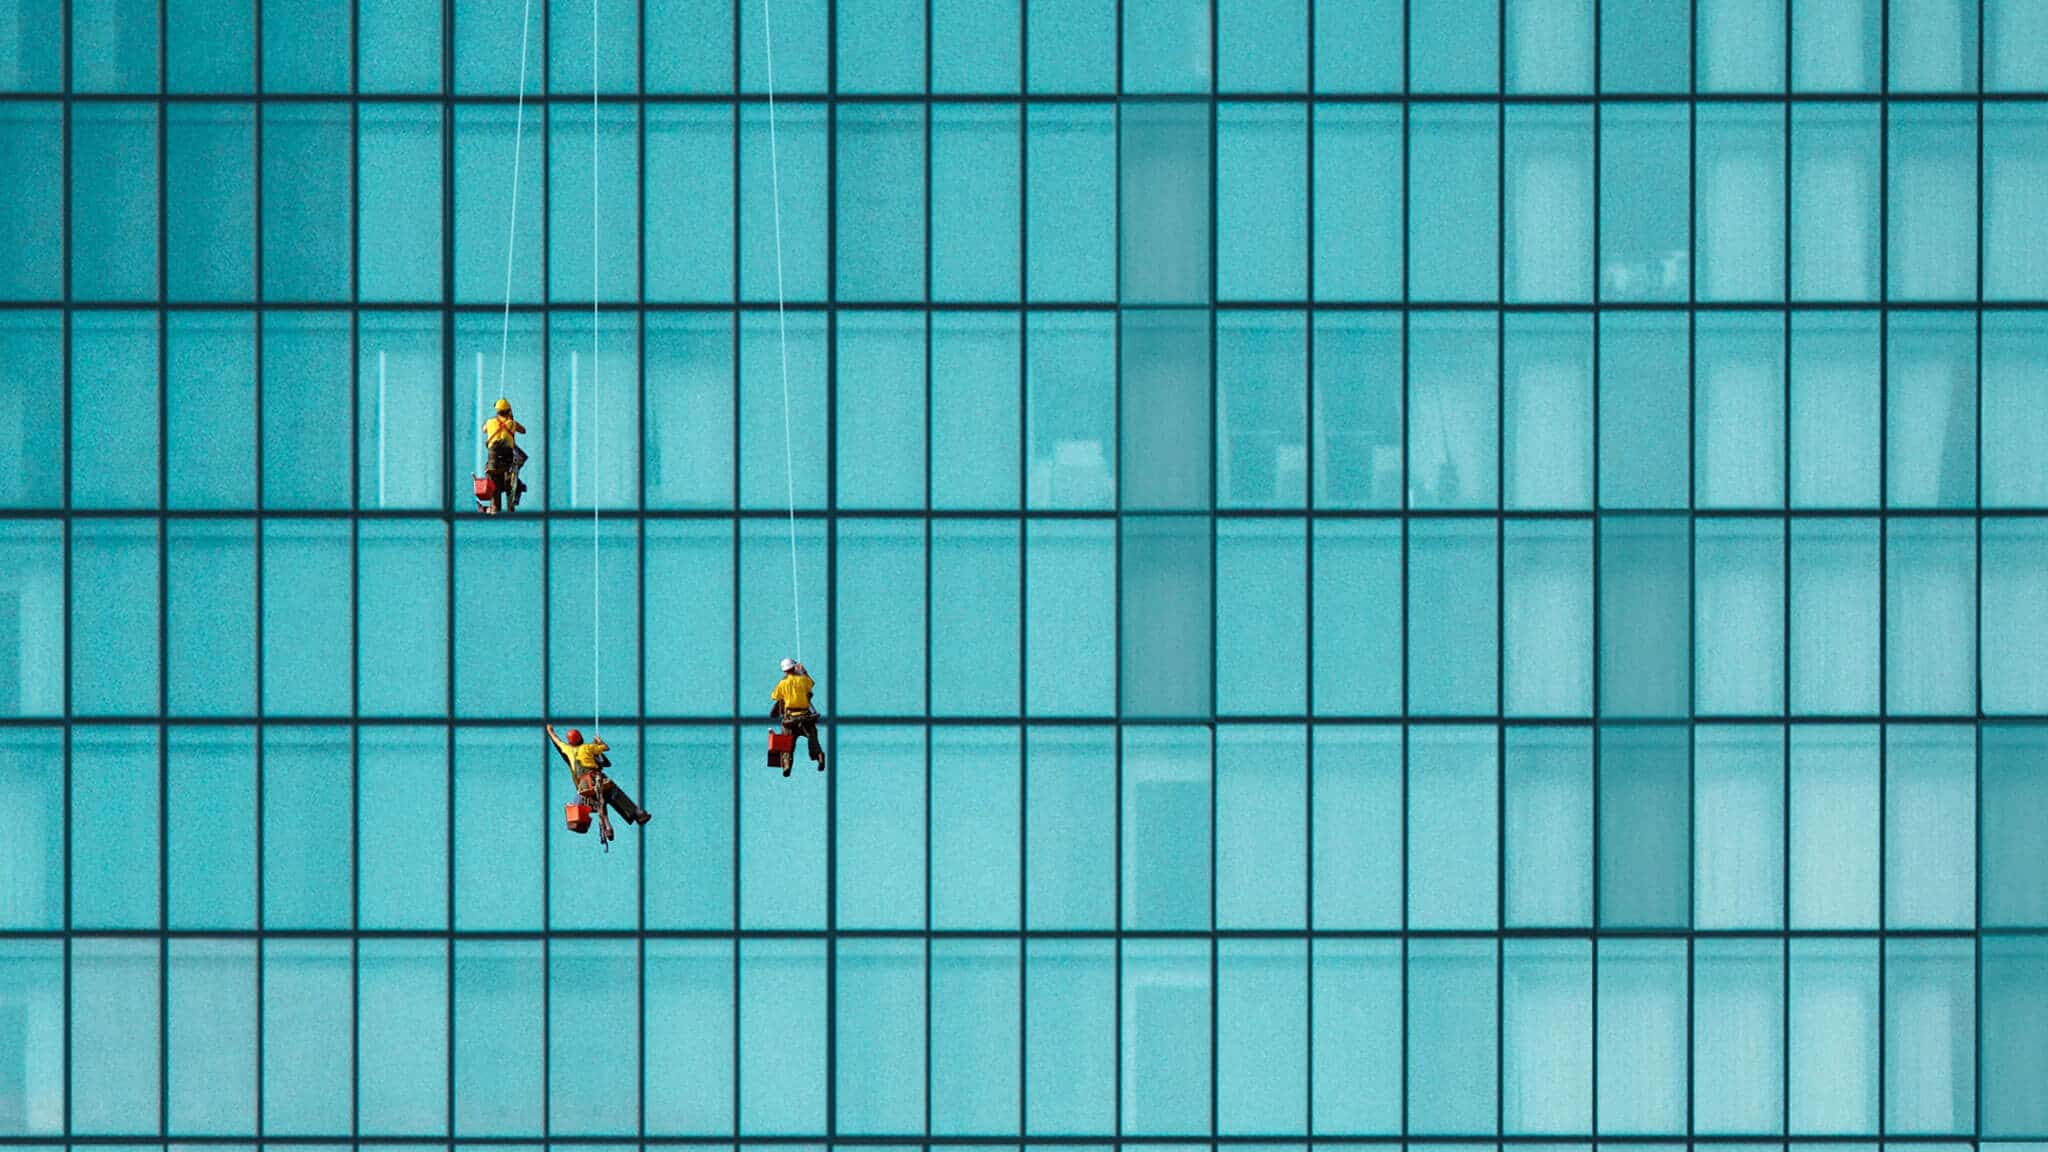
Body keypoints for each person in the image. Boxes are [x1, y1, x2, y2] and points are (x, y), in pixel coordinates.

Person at [545, 723, 651, 827]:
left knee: (578, 798)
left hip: (583, 786)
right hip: (596, 778)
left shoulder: (567, 749)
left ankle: (577, 820)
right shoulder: (588, 747)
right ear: (580, 738)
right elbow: (605, 747)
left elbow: (556, 740)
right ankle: (638, 813)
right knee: (615, 791)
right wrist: (599, 742)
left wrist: (550, 730)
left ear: (570, 742)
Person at [769, 657, 826, 775]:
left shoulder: (782, 684)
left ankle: (786, 765)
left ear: (784, 671)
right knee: (813, 738)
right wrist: (804, 672)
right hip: (805, 717)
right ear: (794, 667)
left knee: (786, 743)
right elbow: (811, 684)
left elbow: (774, 696)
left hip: (790, 719)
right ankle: (819, 756)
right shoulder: (803, 680)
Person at [481, 398, 529, 514]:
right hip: (507, 466)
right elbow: (523, 431)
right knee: (510, 493)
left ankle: (492, 511)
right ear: (508, 411)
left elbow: (484, 430)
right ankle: (510, 511)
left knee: (495, 499)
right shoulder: (512, 423)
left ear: (497, 411)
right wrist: (511, 418)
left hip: (493, 465)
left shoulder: (489, 422)